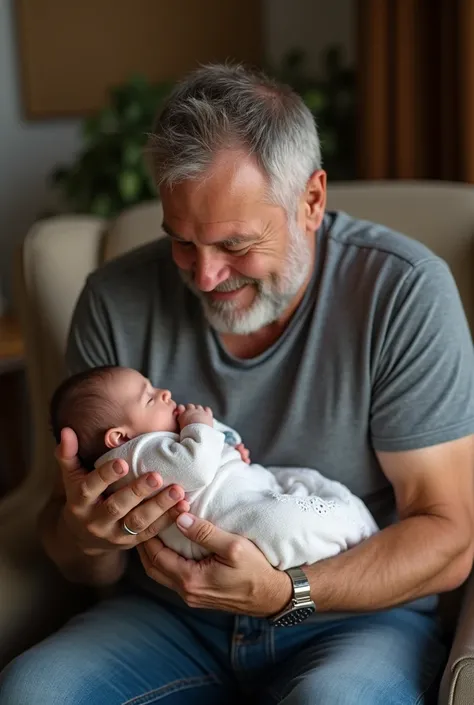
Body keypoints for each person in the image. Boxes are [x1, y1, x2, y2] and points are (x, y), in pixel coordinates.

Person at [1, 63, 474, 704]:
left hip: (349, 616)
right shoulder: (115, 301)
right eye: (182, 243)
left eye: (234, 244)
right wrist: (89, 534)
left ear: (311, 200)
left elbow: (447, 533)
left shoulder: (402, 293)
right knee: (36, 691)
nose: (204, 275)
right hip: (170, 618)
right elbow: (78, 557)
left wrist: (290, 592)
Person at [49, 365, 378, 569]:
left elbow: (210, 444)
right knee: (285, 524)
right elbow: (195, 468)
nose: (164, 393)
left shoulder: (162, 438)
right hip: (233, 520)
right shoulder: (134, 457)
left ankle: (350, 519)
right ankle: (349, 532)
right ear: (119, 436)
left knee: (302, 480)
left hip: (249, 489)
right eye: (149, 398)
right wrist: (198, 424)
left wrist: (227, 443)